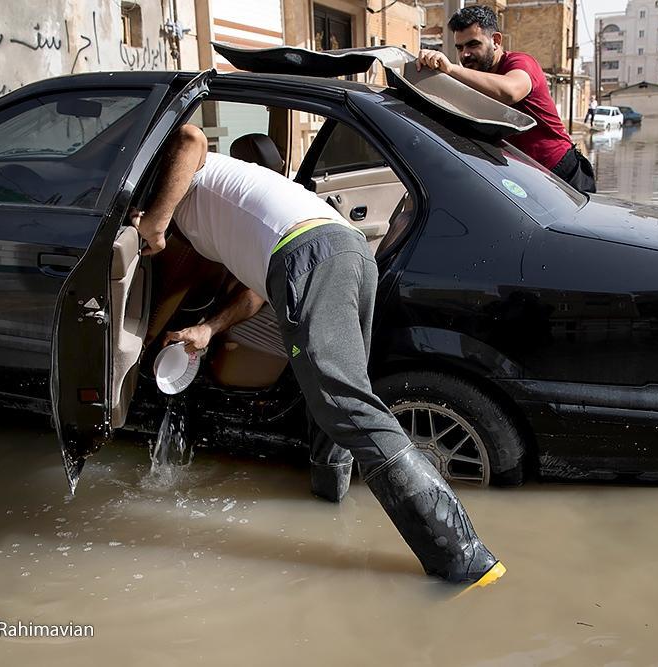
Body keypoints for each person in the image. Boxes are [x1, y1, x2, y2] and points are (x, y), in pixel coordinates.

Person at [132, 124, 505, 588]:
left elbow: (189, 137)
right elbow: (255, 291)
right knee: (337, 399)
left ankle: (463, 556)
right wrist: (209, 328)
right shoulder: (224, 205)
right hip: (343, 250)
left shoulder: (182, 169)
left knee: (344, 404)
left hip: (307, 255)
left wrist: (155, 220)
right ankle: (331, 499)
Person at [416, 5, 596, 193]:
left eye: (473, 44)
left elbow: (510, 91)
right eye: (460, 48)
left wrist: (451, 69)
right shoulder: (472, 78)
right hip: (525, 178)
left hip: (562, 172)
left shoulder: (521, 63)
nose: (465, 54)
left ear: (495, 41)